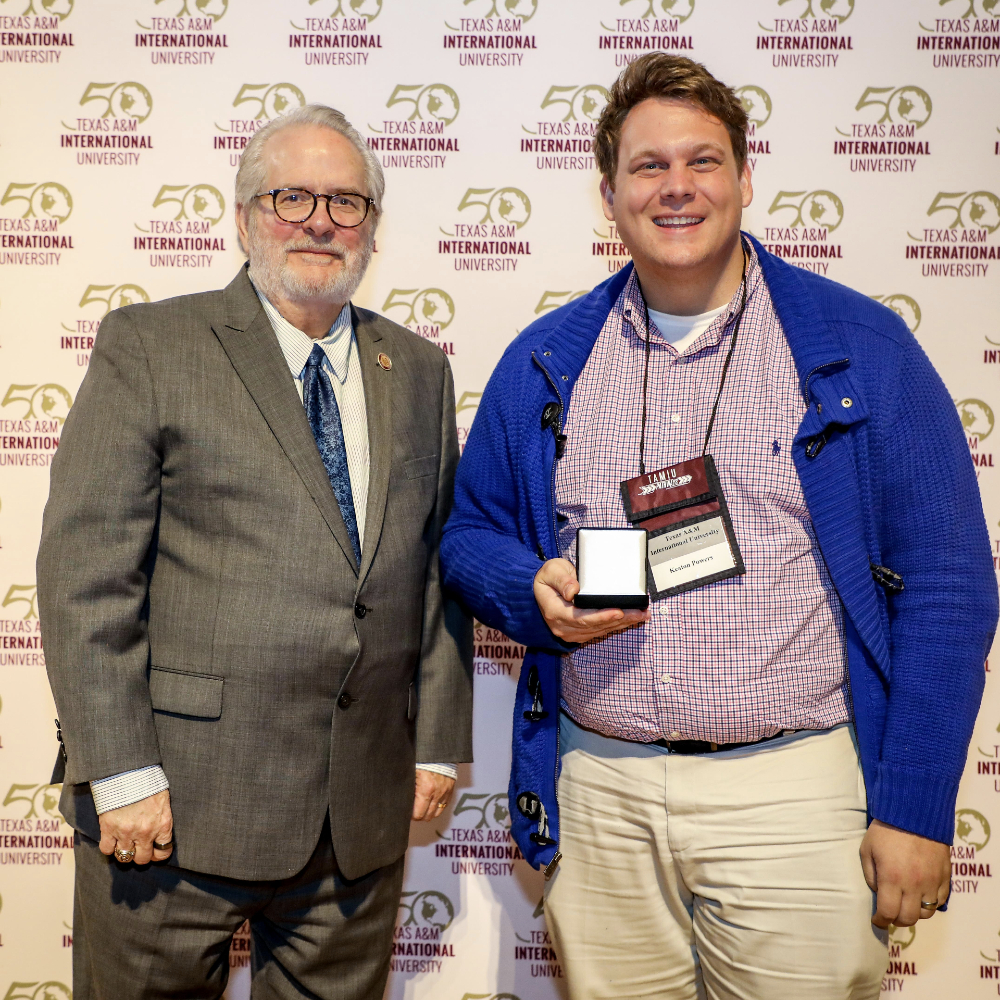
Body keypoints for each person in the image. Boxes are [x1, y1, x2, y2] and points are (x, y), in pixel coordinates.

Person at [440, 54, 996, 1000]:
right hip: (599, 793)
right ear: (609, 194)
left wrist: (915, 808)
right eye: (649, 166)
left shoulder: (857, 348)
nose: (677, 187)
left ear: (745, 176)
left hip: (796, 799)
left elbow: (949, 583)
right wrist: (525, 591)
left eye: (703, 161)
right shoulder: (547, 361)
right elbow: (470, 533)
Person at [37, 103, 472, 1000]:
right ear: (244, 217)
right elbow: (87, 581)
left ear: (373, 228)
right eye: (292, 196)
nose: (320, 220)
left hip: (356, 822)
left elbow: (434, 568)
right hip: (174, 812)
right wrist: (119, 772)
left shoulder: (419, 370)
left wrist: (435, 743)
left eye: (347, 202)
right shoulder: (152, 346)